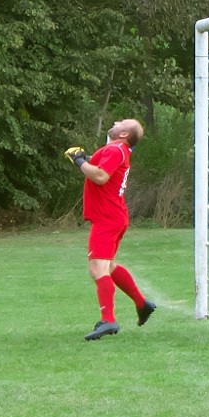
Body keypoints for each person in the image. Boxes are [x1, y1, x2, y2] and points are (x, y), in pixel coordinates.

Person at [64, 119, 156, 340]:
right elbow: (99, 167)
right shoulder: (116, 150)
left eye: (121, 122)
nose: (116, 122)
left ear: (124, 134)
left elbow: (100, 176)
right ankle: (142, 304)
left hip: (107, 218)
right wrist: (84, 159)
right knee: (108, 266)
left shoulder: (116, 149)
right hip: (112, 216)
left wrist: (78, 160)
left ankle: (108, 321)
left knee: (97, 268)